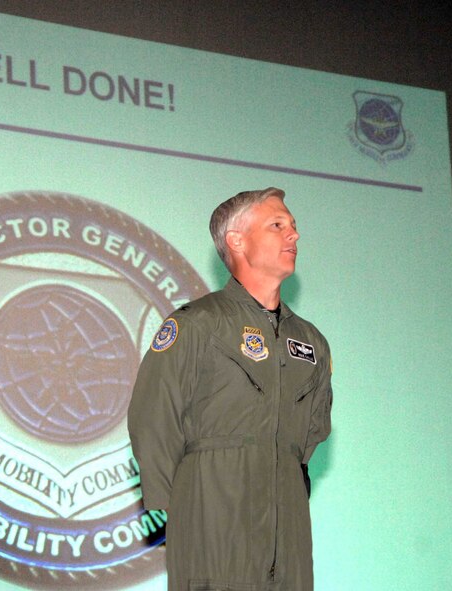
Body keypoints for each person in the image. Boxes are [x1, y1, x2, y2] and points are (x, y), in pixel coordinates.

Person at [128, 187, 333, 590]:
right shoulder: (198, 323)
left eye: (293, 227)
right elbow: (153, 416)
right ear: (236, 241)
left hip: (286, 515)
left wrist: (279, 471)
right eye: (277, 225)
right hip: (213, 505)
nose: (293, 235)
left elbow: (313, 431)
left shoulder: (311, 341)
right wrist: (187, 506)